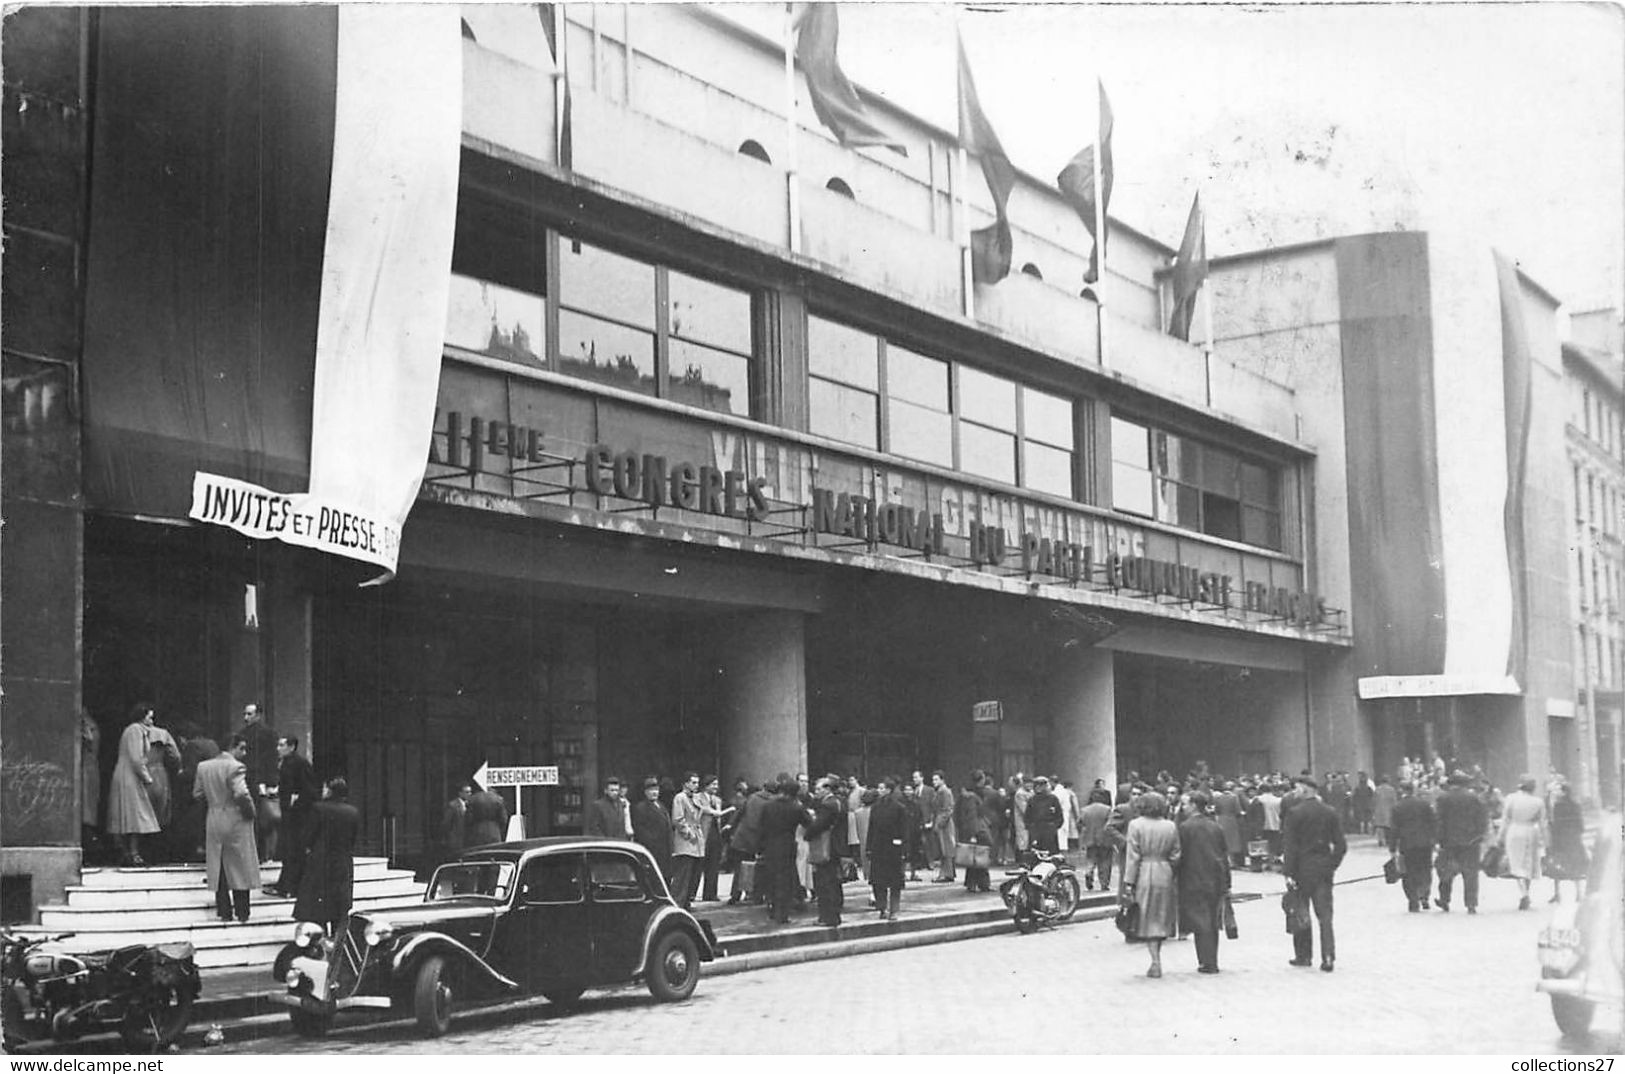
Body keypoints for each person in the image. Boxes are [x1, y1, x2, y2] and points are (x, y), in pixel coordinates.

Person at [1281, 775, 1346, 972]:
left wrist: (1288, 872)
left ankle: (1303, 955)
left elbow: (1290, 846)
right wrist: (1331, 865)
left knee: (1301, 912)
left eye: (1297, 788)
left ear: (1305, 789)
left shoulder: (1295, 813)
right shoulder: (1330, 812)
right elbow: (1341, 845)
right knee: (1325, 916)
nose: (1295, 792)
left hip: (1302, 870)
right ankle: (1328, 956)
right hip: (1323, 870)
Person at [194, 734, 260, 923]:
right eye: (242, 748)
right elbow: (241, 792)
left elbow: (197, 793)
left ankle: (224, 910)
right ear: (234, 747)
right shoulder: (235, 767)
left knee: (219, 865)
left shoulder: (204, 767)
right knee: (240, 863)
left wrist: (214, 801)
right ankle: (242, 911)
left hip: (214, 816)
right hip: (235, 817)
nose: (244, 753)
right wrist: (250, 812)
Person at [1121, 791, 1180, 978]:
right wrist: (1170, 868)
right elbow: (1176, 853)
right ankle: (1157, 956)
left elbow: (1133, 856)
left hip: (1144, 872)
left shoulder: (1135, 825)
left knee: (1147, 916)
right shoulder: (1170, 826)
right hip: (1165, 871)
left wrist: (1128, 882)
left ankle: (1155, 961)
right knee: (1162, 916)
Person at [294, 778, 361, 937]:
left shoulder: (318, 809)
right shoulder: (353, 812)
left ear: (330, 791)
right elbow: (353, 838)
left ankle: (320, 938)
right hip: (342, 860)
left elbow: (308, 836)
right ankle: (338, 937)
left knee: (318, 905)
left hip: (320, 860)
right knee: (340, 902)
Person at [1177, 791, 1231, 974]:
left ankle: (1207, 961)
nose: (1182, 808)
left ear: (1193, 805)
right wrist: (1227, 882)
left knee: (1201, 922)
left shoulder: (1184, 828)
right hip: (1215, 879)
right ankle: (1211, 959)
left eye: (1184, 804)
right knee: (1212, 920)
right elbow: (1224, 855)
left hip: (1192, 879)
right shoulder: (1215, 827)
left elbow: (1180, 856)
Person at [106, 702, 162, 866]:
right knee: (134, 816)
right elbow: (136, 758)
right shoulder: (135, 730)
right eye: (149, 717)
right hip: (130, 776)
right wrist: (147, 777)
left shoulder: (137, 731)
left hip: (128, 774)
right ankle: (132, 853)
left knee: (131, 816)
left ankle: (129, 852)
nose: (152, 721)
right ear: (142, 717)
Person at [269, 735, 320, 898]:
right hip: (290, 815)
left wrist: (295, 802)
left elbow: (308, 789)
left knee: (294, 850)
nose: (278, 748)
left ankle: (290, 886)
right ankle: (287, 885)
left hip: (297, 816)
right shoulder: (287, 763)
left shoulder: (299, 764)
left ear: (291, 747)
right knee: (290, 850)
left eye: (282, 745)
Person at [1434, 772, 1488, 914]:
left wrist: (1439, 839)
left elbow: (1439, 821)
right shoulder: (1474, 798)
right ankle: (1471, 903)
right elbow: (1482, 819)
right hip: (1471, 841)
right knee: (1470, 873)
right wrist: (1479, 835)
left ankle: (1444, 900)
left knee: (1446, 870)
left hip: (1449, 841)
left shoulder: (1443, 798)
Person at [759, 776, 807, 923]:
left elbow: (761, 826)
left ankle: (772, 907)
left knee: (771, 878)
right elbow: (808, 823)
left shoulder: (768, 805)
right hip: (787, 845)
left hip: (770, 845)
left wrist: (760, 846)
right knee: (785, 881)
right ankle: (782, 913)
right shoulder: (796, 807)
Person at [1497, 775, 1547, 911]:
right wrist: (1546, 839)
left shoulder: (1511, 798)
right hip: (1531, 831)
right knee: (1529, 863)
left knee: (1516, 862)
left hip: (1515, 830)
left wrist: (1500, 836)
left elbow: (1505, 819)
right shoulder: (1538, 802)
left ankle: (1524, 894)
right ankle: (1527, 892)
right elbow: (1542, 823)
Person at [240, 703, 280, 862]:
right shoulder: (269, 733)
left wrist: (270, 782)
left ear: (258, 715)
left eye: (249, 714)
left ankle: (259, 851)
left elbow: (271, 758)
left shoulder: (253, 734)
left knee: (259, 816)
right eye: (245, 714)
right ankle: (262, 852)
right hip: (257, 778)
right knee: (261, 817)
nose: (246, 718)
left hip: (254, 778)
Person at [804, 775, 846, 926]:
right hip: (835, 846)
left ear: (827, 788)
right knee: (833, 882)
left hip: (826, 848)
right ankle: (833, 914)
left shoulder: (827, 805)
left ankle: (827, 916)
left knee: (824, 883)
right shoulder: (838, 802)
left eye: (819, 789)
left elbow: (818, 826)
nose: (816, 792)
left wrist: (807, 834)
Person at [1389, 780, 1436, 912]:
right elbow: (1433, 823)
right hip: (1425, 844)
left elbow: (1394, 829)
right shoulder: (1425, 805)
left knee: (1408, 872)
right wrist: (1434, 840)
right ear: (1413, 790)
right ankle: (1424, 894)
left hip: (1407, 844)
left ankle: (1413, 899)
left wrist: (1392, 848)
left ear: (1401, 790)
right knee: (1425, 869)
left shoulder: (1397, 807)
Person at [866, 776, 908, 919]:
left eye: (882, 788)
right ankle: (882, 907)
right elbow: (871, 829)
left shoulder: (899, 808)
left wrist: (901, 846)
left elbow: (903, 830)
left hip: (893, 850)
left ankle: (894, 910)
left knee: (895, 882)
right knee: (879, 881)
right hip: (878, 848)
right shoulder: (875, 808)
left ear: (889, 790)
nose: (879, 790)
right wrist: (869, 847)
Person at [671, 772, 712, 907]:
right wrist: (689, 833)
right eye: (693, 782)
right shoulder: (680, 798)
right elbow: (678, 819)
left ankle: (687, 900)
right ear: (685, 783)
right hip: (686, 841)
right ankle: (678, 902)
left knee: (694, 875)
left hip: (697, 841)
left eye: (697, 782)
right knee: (683, 875)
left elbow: (702, 814)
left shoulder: (695, 798)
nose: (696, 785)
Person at [1547, 782, 1588, 903]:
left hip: (1560, 839)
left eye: (1559, 791)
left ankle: (1557, 892)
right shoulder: (1576, 805)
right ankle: (1578, 892)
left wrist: (1552, 837)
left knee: (1557, 864)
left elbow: (1556, 824)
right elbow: (1580, 824)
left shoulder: (1558, 806)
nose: (1557, 793)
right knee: (1576, 865)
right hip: (1574, 839)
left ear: (1564, 792)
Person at [956, 773, 992, 893]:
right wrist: (974, 833)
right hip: (977, 829)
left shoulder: (968, 795)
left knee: (974, 858)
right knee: (979, 857)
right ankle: (981, 883)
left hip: (972, 829)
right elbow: (972, 816)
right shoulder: (973, 796)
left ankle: (973, 883)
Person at [699, 775, 728, 902]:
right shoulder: (698, 798)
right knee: (699, 865)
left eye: (716, 784)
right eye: (713, 784)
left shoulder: (718, 800)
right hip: (703, 834)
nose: (716, 787)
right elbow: (704, 811)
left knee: (714, 865)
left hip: (715, 833)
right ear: (706, 785)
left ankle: (711, 893)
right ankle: (692, 893)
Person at [1078, 790, 1113, 891]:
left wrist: (1084, 833)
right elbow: (1111, 824)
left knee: (1091, 859)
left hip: (1090, 839)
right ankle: (1104, 883)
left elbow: (1079, 823)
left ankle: (1089, 872)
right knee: (1105, 862)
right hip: (1104, 839)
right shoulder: (1107, 809)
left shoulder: (1084, 810)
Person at [80, 710, 102, 854]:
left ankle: (90, 845)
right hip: (88, 769)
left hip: (86, 770)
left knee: (86, 810)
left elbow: (89, 738)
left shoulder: (90, 728)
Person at [929, 771, 957, 883]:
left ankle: (946, 874)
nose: (934, 782)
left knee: (946, 849)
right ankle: (947, 873)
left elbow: (948, 809)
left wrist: (940, 823)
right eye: (933, 780)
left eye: (936, 779)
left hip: (944, 823)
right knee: (943, 849)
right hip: (941, 820)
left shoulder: (944, 791)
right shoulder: (940, 791)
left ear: (942, 780)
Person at [1025, 775, 1064, 854]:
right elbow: (1027, 816)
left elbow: (1059, 815)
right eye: (1037, 786)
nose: (1039, 788)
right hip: (1036, 830)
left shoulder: (1053, 799)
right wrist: (1031, 827)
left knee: (1051, 853)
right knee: (1035, 853)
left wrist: (1054, 826)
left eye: (1042, 785)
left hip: (1049, 830)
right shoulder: (1032, 800)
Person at [1213, 781, 1246, 869]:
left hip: (1221, 819)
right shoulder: (1234, 797)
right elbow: (1237, 810)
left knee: (1223, 840)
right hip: (1231, 820)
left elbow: (1216, 810)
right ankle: (1232, 862)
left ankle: (1226, 860)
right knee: (1232, 841)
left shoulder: (1218, 797)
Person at [466, 780, 509, 846]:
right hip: (494, 832)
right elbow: (503, 819)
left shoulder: (472, 799)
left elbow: (468, 819)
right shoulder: (498, 799)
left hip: (477, 832)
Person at [441, 783, 472, 862]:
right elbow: (446, 823)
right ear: (460, 793)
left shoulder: (472, 805)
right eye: (467, 792)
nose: (469, 794)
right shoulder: (453, 805)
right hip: (456, 840)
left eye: (470, 792)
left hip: (468, 840)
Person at [1372, 775, 1398, 848]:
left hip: (1379, 810)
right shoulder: (1391, 790)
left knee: (1380, 826)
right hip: (1388, 810)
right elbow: (1394, 801)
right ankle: (1388, 841)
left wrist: (1373, 809)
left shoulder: (1377, 789)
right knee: (1388, 826)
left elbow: (1374, 800)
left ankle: (1380, 840)